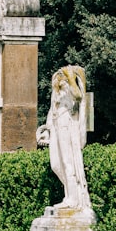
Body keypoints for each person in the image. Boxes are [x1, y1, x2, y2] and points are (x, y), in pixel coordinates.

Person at [37, 66, 92, 212]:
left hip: (66, 124)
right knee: (56, 164)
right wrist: (47, 131)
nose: (58, 80)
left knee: (68, 162)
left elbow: (79, 96)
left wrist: (71, 77)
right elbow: (51, 110)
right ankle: (70, 194)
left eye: (61, 78)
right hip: (56, 126)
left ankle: (73, 199)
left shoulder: (71, 89)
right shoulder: (57, 92)